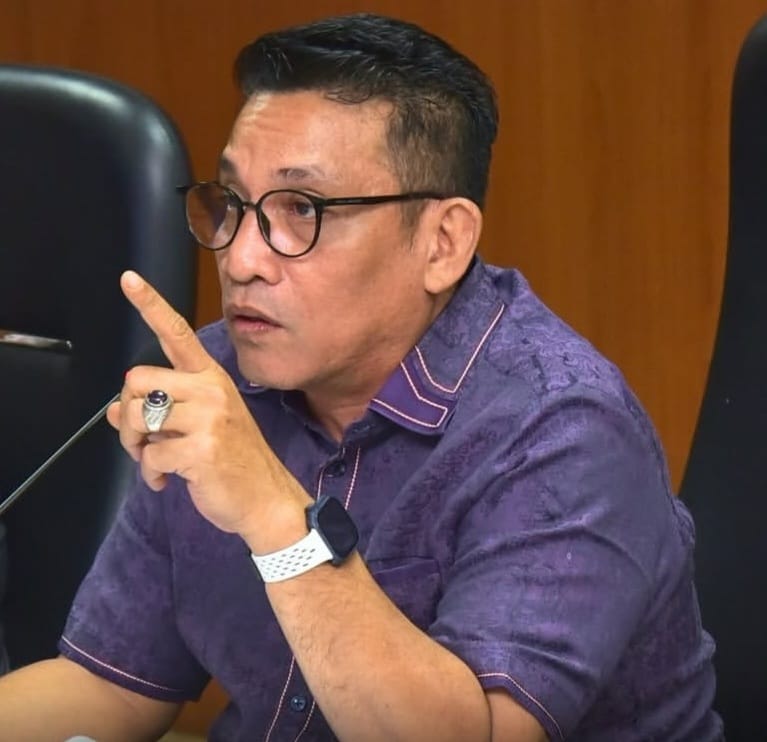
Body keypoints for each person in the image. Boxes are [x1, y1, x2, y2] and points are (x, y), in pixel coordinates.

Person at [0, 12, 722, 741]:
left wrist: (276, 517)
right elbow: (112, 686)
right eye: (234, 204)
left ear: (442, 243)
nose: (241, 258)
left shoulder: (563, 428)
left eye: (302, 209)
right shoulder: (218, 378)